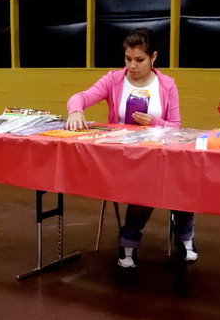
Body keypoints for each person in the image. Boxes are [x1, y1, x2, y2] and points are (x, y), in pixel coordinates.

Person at [66, 27, 197, 269]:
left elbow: (177, 128)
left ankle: (185, 237)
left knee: (184, 179)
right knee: (146, 182)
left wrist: (155, 122)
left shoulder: (167, 85)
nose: (132, 65)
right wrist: (76, 110)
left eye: (140, 60)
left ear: (153, 57)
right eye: (128, 59)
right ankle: (129, 240)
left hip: (159, 154)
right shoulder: (114, 79)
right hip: (124, 158)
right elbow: (80, 97)